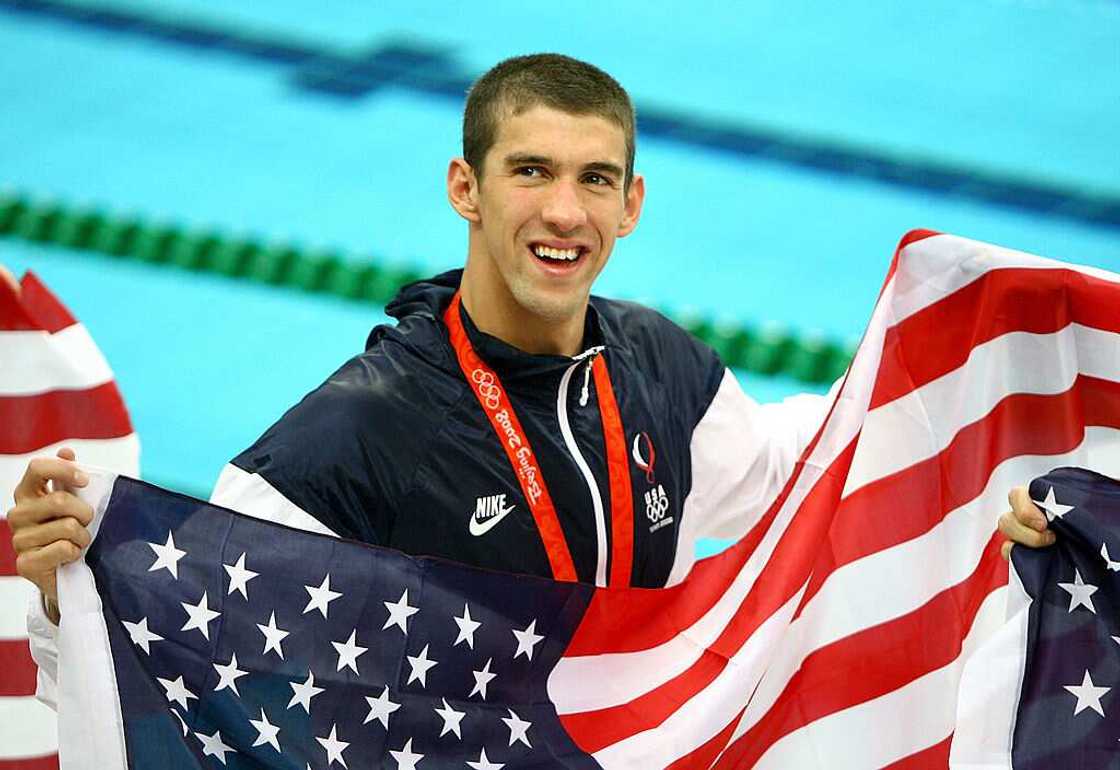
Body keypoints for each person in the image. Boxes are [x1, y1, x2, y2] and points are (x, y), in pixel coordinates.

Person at [6, 54, 1051, 700]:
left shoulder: (658, 366)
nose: (564, 211)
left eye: (594, 178)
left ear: (632, 203)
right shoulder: (345, 442)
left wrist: (986, 422)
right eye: (530, 171)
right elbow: (191, 668)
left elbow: (803, 462)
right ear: (465, 186)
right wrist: (68, 597)